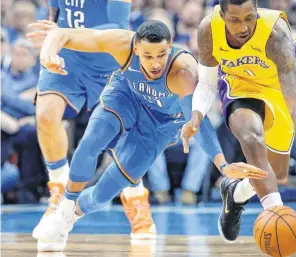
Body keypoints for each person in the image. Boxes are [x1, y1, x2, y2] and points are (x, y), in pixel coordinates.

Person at [28, 20, 268, 252]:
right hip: (126, 97)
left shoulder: (183, 72)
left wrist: (223, 165)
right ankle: (64, 209)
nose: (156, 63)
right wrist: (48, 54)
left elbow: (200, 124)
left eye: (162, 54)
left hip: (160, 126)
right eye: (148, 56)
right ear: (136, 49)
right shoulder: (121, 43)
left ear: (170, 46)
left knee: (102, 196)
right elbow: (62, 34)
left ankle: (72, 217)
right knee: (91, 141)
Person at [180, 0, 296, 255]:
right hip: (239, 87)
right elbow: (206, 83)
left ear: (257, 11)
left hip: (278, 92)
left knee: (276, 176)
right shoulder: (209, 28)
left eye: (250, 18)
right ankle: (288, 238)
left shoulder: (276, 35)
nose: (243, 27)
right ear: (222, 13)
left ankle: (235, 192)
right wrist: (197, 115)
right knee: (251, 136)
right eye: (235, 20)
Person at [30, 0, 159, 242]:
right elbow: (56, 14)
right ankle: (58, 190)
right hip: (68, 58)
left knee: (120, 140)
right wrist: (51, 39)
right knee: (46, 115)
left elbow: (119, 28)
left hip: (108, 59)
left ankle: (136, 197)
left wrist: (65, 34)